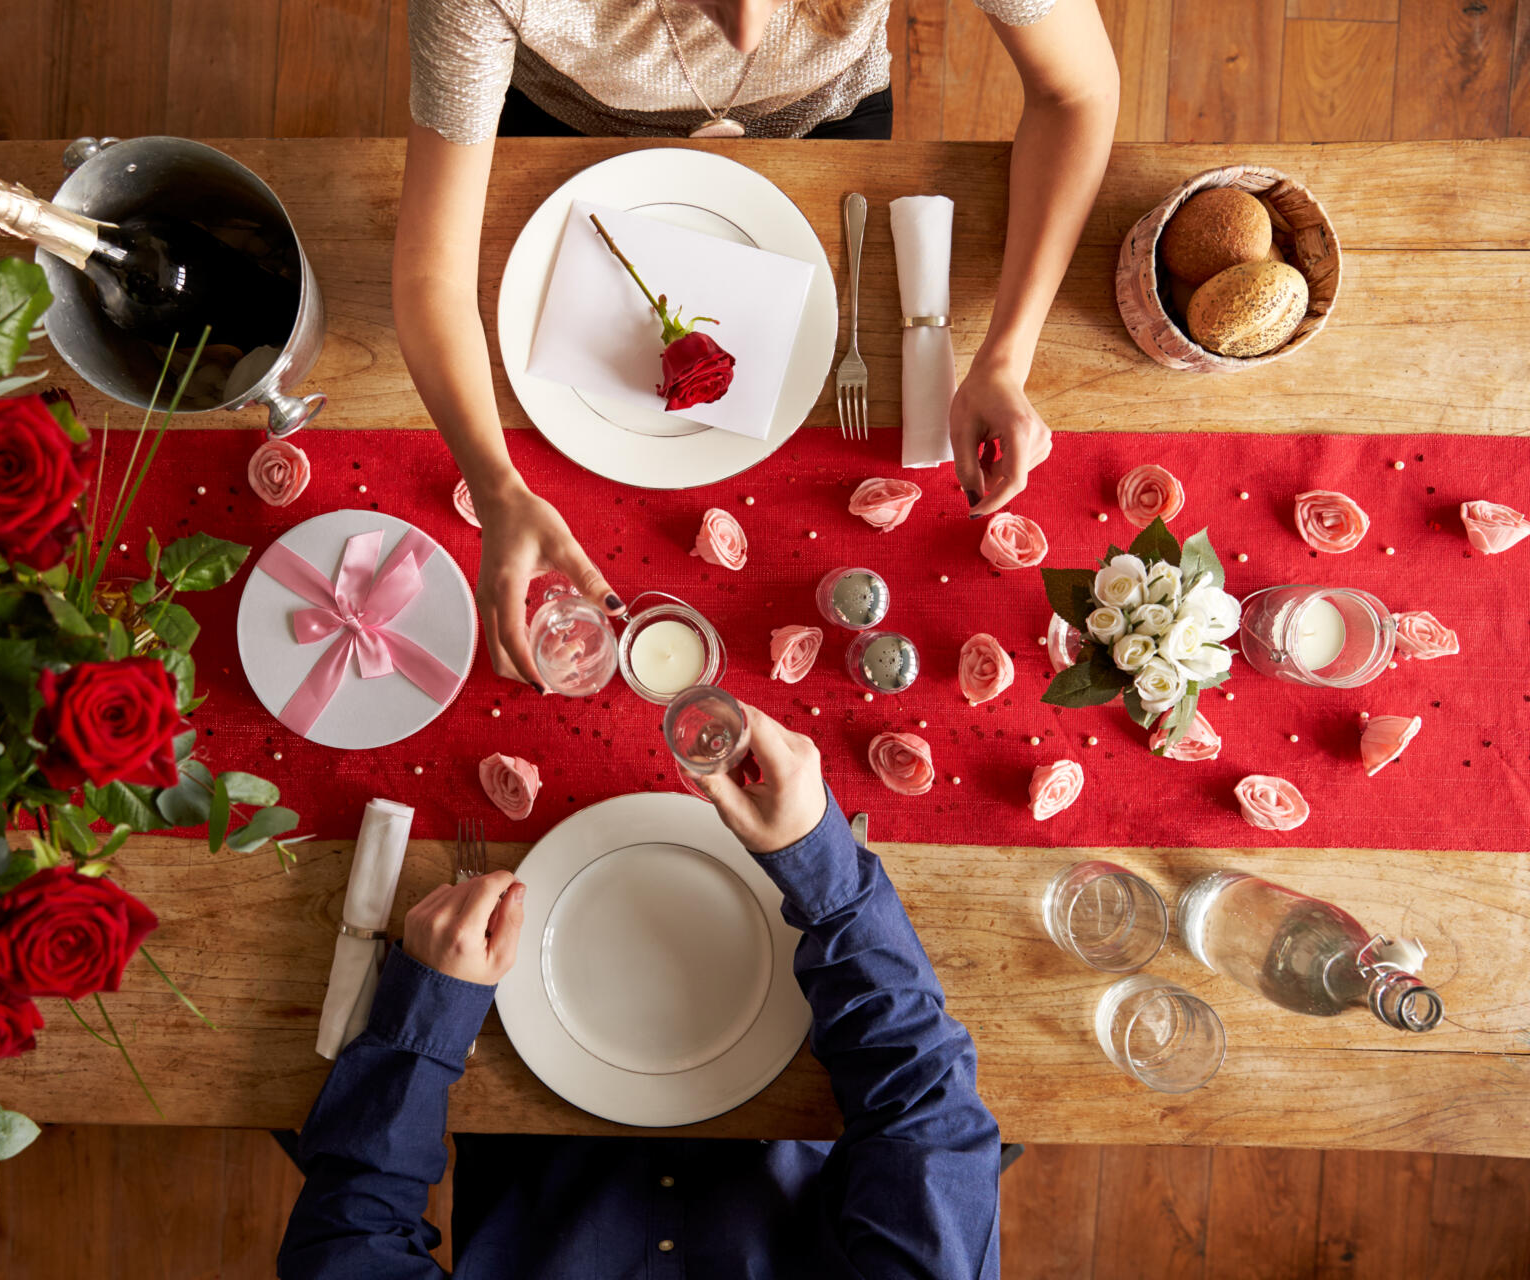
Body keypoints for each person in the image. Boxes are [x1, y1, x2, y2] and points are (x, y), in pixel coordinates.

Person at [395, 0, 1120, 689]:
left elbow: (1076, 95)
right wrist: (495, 488)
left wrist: (1005, 356)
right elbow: (433, 272)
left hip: (826, 118)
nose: (745, 30)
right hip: (562, 119)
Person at [277, 702, 1002, 1278]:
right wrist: (823, 868)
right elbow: (926, 1115)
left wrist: (424, 1021)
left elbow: (345, 1249)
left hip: (510, 1108)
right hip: (788, 1079)